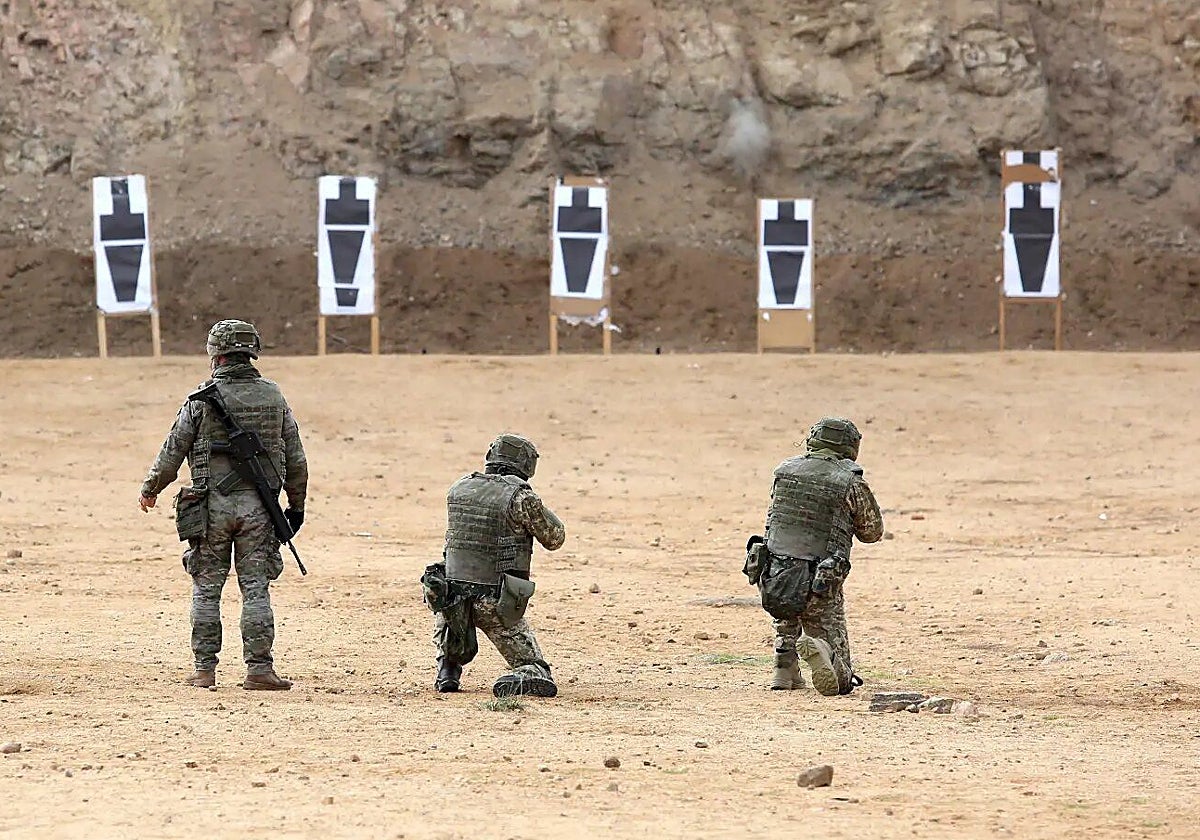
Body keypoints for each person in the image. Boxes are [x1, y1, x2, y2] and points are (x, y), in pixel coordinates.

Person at [138, 319, 308, 691]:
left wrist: (151, 488)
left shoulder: (201, 398)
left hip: (209, 508)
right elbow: (296, 458)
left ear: (216, 356)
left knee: (206, 588)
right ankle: (260, 670)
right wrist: (295, 508)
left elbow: (173, 450)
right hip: (260, 510)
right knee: (256, 588)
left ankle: (203, 670)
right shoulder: (274, 396)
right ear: (251, 353)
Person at [425, 434, 565, 698]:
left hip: (452, 599)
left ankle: (448, 668)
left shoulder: (459, 488)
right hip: (496, 601)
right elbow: (555, 537)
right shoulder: (520, 497)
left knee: (450, 596)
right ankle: (522, 679)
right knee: (534, 667)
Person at [750, 417, 883, 696]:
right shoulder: (849, 481)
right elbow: (872, 532)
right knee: (842, 682)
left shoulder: (784, 472)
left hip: (773, 573)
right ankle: (824, 651)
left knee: (787, 606)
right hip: (820, 578)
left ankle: (784, 667)